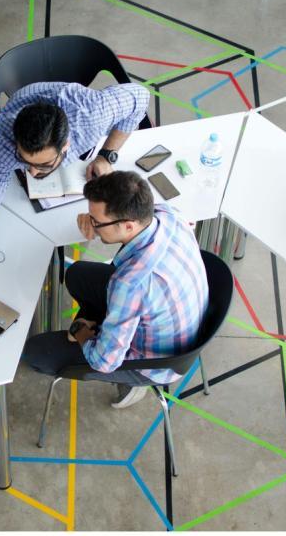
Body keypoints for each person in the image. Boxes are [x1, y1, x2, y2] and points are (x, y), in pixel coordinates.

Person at [0, 81, 150, 304]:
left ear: (65, 146)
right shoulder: (5, 138)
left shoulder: (92, 115)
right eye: (24, 161)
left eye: (43, 165)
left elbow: (140, 96)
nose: (32, 173)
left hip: (76, 108)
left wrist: (107, 154)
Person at [22, 171, 209, 409]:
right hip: (179, 321)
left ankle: (131, 383)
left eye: (97, 222)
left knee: (35, 352)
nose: (92, 225)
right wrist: (94, 219)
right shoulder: (168, 215)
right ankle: (107, 325)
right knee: (78, 274)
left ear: (128, 225)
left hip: (153, 363)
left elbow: (103, 362)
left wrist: (81, 332)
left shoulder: (130, 284)